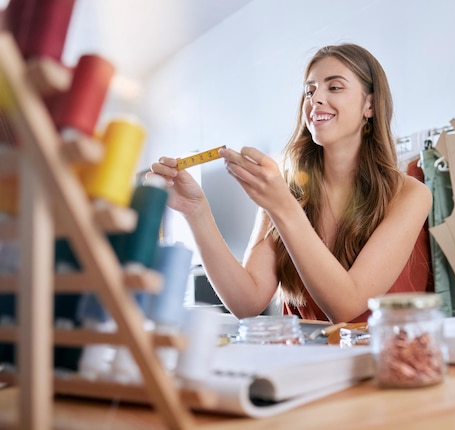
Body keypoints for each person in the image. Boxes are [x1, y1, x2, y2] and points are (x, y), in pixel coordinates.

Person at [148, 43, 432, 324]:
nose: (315, 98)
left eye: (334, 87)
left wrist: (281, 206)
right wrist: (195, 212)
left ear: (369, 104)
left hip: (387, 363)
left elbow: (347, 308)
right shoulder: (287, 192)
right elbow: (246, 302)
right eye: (310, 90)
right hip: (305, 364)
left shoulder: (409, 194)